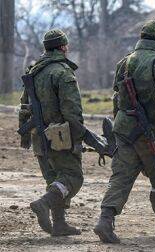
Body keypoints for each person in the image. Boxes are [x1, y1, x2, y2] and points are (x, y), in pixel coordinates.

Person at [93, 19, 155, 243]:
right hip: (150, 131)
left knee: (121, 177)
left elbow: (117, 96)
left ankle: (105, 221)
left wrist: (119, 124)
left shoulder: (124, 62)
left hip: (124, 130)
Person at [19, 29, 91, 236]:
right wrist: (79, 136)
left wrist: (26, 135)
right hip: (60, 136)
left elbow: (24, 105)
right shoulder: (62, 72)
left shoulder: (34, 70)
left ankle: (59, 224)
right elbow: (72, 109)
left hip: (38, 135)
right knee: (72, 177)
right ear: (63, 47)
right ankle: (44, 203)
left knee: (54, 179)